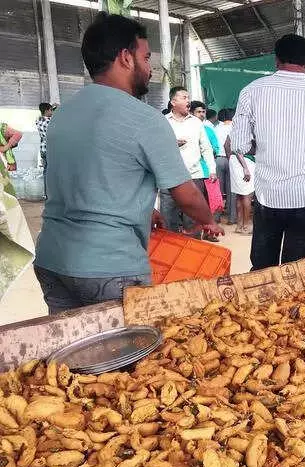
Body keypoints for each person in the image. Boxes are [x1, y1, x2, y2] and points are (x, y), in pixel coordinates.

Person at [34, 13, 221, 314]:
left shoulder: (63, 114)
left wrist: (145, 211)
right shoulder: (144, 118)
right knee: (130, 357)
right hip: (109, 267)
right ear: (125, 58)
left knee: (76, 354)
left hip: (52, 260)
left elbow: (90, 181)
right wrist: (207, 220)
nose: (150, 69)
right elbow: (185, 194)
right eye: (146, 57)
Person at [231, 33, 305, 270]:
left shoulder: (251, 91)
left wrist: (262, 145)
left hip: (267, 195)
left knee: (263, 269)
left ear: (276, 60)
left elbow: (239, 145)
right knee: (299, 271)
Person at [162, 86, 217, 240]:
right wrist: (172, 143)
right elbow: (156, 146)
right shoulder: (163, 122)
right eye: (184, 97)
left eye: (188, 97)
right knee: (168, 220)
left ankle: (193, 257)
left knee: (192, 222)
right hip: (169, 178)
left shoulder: (197, 123)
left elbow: (206, 148)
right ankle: (171, 255)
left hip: (194, 177)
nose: (188, 100)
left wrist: (212, 169)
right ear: (173, 101)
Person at [225, 135, 255, 234]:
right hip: (245, 161)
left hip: (235, 161)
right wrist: (245, 167)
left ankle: (239, 225)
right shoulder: (247, 128)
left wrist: (231, 159)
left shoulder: (234, 128)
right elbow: (238, 149)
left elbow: (226, 145)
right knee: (247, 195)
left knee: (239, 195)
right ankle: (245, 226)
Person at [214, 107, 236, 226]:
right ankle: (232, 218)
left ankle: (216, 217)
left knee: (217, 190)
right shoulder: (235, 128)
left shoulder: (216, 128)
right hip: (232, 159)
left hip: (218, 159)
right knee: (232, 190)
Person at [190, 99, 221, 175]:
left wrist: (206, 150)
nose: (202, 114)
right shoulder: (186, 129)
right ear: (191, 113)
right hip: (191, 171)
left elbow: (216, 149)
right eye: (198, 112)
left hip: (207, 171)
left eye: (203, 112)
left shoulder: (209, 130)